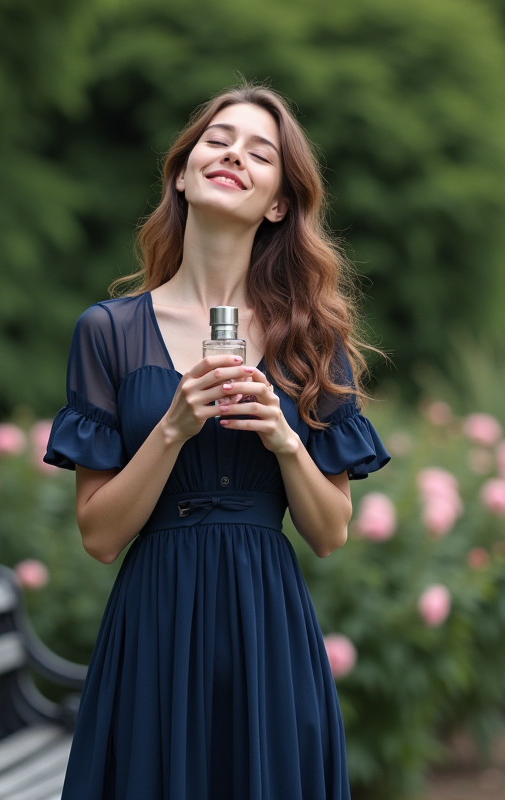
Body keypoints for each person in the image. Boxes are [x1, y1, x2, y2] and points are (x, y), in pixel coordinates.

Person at [43, 83, 391, 800]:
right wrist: (171, 428)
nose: (234, 152)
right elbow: (101, 537)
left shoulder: (311, 341)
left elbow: (329, 533)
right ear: (182, 171)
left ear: (277, 203)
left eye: (260, 153)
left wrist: (285, 443)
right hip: (155, 628)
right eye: (218, 139)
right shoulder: (107, 331)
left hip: (269, 630)